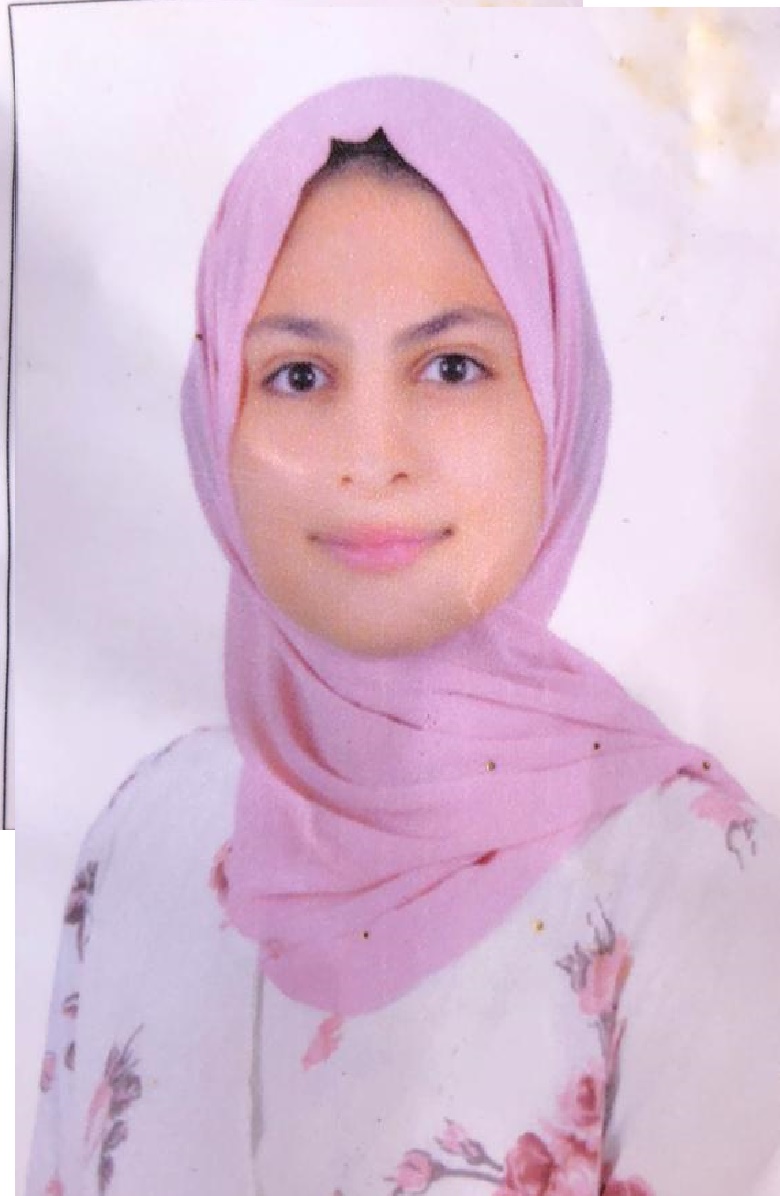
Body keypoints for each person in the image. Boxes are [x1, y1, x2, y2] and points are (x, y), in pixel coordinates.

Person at [25, 75, 780, 1196]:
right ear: (214, 413)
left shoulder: (695, 875)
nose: (372, 457)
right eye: (298, 375)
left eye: (451, 366)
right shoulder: (147, 828)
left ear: (559, 397)